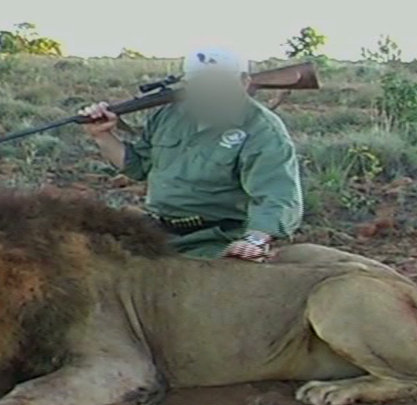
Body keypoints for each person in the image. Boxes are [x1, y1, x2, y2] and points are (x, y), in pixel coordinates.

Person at [79, 47, 303, 262]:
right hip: (158, 230)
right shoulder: (168, 117)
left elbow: (277, 196)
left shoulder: (262, 129)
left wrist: (254, 241)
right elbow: (138, 168)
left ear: (244, 82)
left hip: (216, 238)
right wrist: (103, 135)